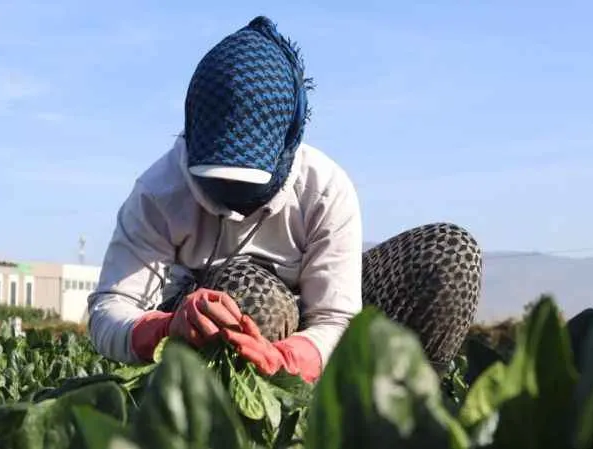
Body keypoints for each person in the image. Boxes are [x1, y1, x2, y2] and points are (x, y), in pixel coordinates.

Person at [88, 16, 483, 383]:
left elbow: (335, 316)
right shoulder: (159, 192)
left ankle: (401, 415)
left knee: (450, 255)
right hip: (205, 327)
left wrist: (288, 361)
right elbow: (109, 311)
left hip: (309, 335)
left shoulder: (325, 189)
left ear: (289, 143)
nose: (232, 201)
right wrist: (165, 328)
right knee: (247, 299)